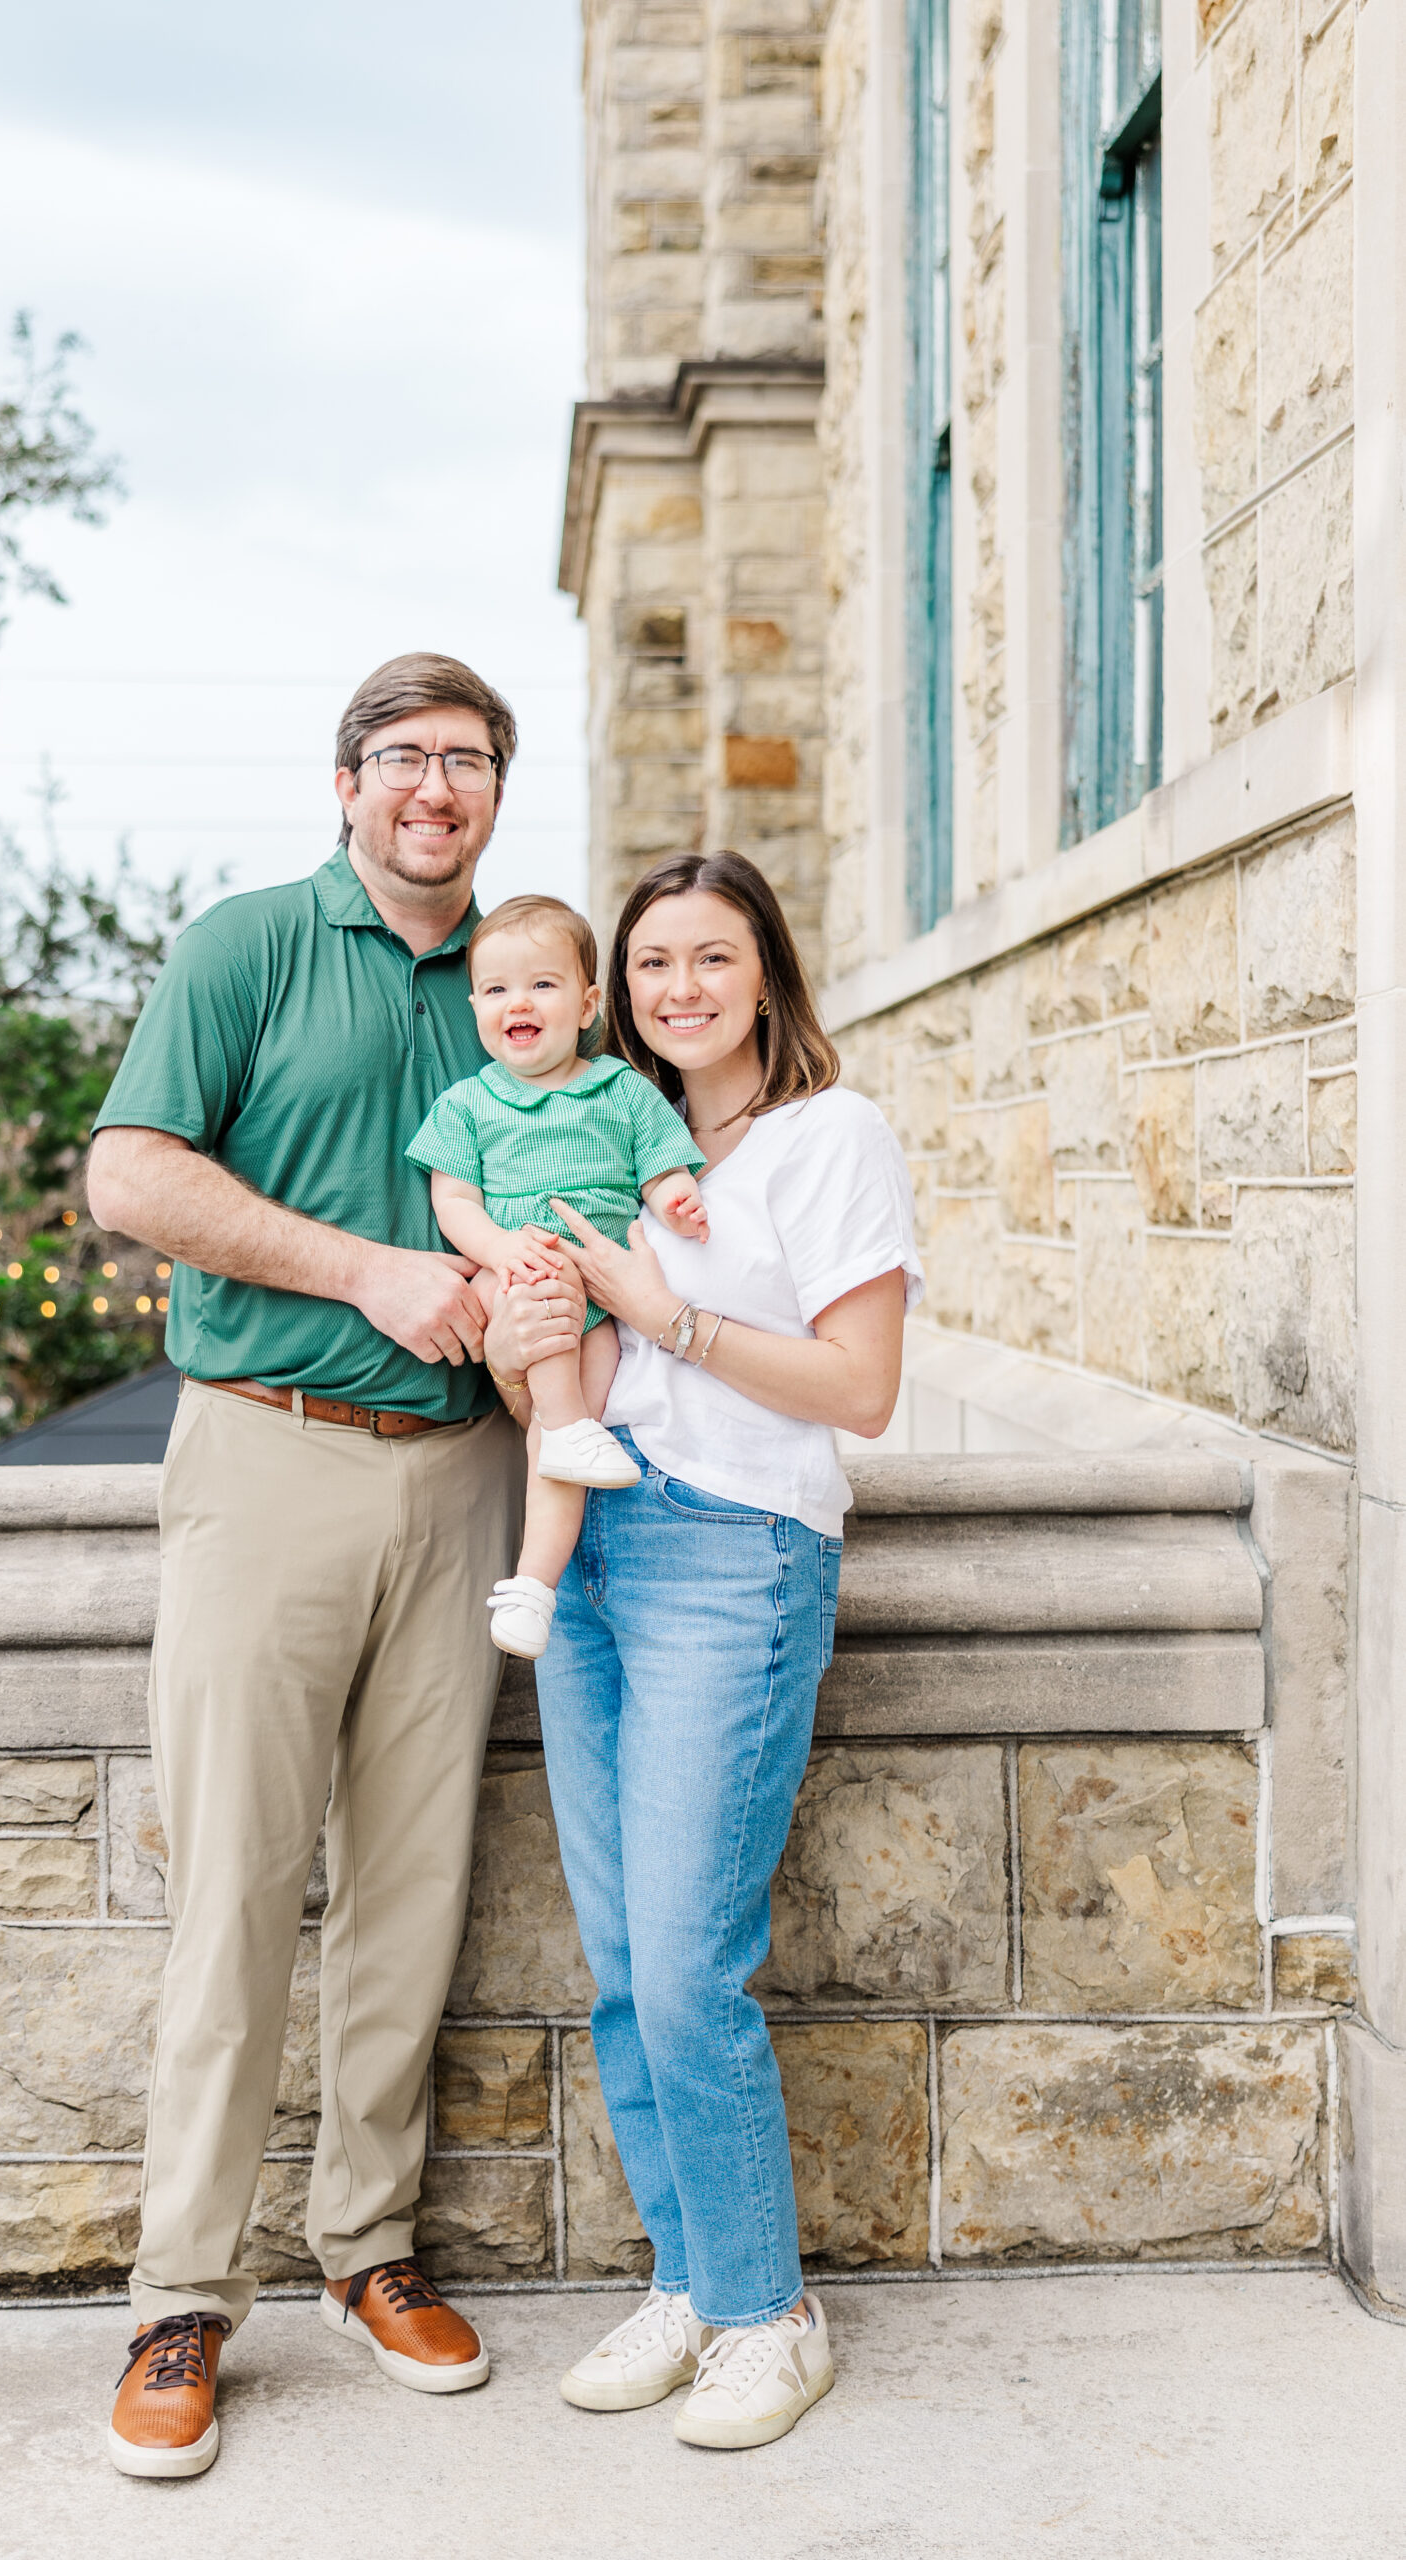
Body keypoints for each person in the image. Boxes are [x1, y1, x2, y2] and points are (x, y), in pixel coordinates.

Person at [85, 653, 585, 2480]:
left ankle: (367, 2250)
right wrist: (364, 1270)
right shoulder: (246, 947)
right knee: (232, 1892)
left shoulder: (531, 978)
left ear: (495, 792)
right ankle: (177, 2297)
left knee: (410, 1891)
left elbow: (603, 1180)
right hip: (270, 1458)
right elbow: (131, 1175)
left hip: (468, 1479)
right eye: (401, 759)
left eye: (464, 760)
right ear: (347, 783)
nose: (431, 788)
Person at [533, 849, 923, 2453]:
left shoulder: (829, 1138)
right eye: (648, 969)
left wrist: (662, 1308)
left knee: (692, 1967)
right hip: (590, 1556)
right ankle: (688, 2280)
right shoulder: (614, 1137)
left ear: (765, 969)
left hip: (735, 1555)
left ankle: (771, 2312)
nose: (676, 990)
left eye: (708, 958)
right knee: (625, 1968)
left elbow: (860, 1390)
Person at [405, 893, 708, 1661]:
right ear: (475, 1005)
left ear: (587, 1003)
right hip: (512, 1280)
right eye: (497, 988)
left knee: (555, 1441)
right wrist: (503, 1251)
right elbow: (454, 1204)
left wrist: (675, 1197)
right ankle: (569, 1431)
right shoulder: (468, 1104)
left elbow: (660, 1168)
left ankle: (533, 1587)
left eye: (541, 984)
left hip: (599, 1308)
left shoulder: (621, 1091)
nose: (519, 1002)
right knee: (560, 1391)